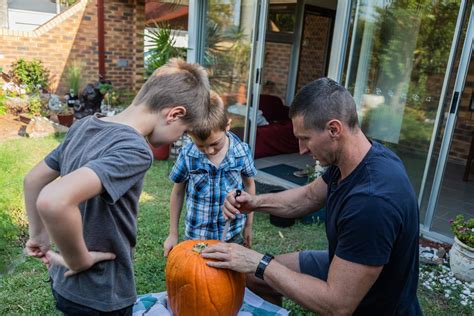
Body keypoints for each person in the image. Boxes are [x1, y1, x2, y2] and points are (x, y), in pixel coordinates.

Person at [202, 78, 422, 315]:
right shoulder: (359, 157)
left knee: (260, 270)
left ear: (334, 129)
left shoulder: (372, 203)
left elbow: (337, 305)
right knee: (255, 277)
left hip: (376, 305)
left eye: (305, 138)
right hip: (344, 262)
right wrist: (254, 202)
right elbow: (307, 197)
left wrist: (259, 262)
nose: (301, 149)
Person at [23, 58, 210, 315]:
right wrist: (80, 260)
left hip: (63, 285)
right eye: (184, 131)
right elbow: (53, 200)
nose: (180, 138)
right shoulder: (135, 149)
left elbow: (33, 180)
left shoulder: (83, 125)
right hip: (102, 290)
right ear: (174, 114)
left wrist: (38, 235)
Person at [163, 91, 257, 256]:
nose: (209, 150)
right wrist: (173, 233)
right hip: (196, 236)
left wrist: (248, 226)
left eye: (215, 143)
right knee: (195, 278)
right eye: (201, 146)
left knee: (229, 279)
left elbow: (249, 185)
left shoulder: (241, 152)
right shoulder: (188, 154)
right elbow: (177, 193)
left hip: (231, 233)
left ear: (227, 125)